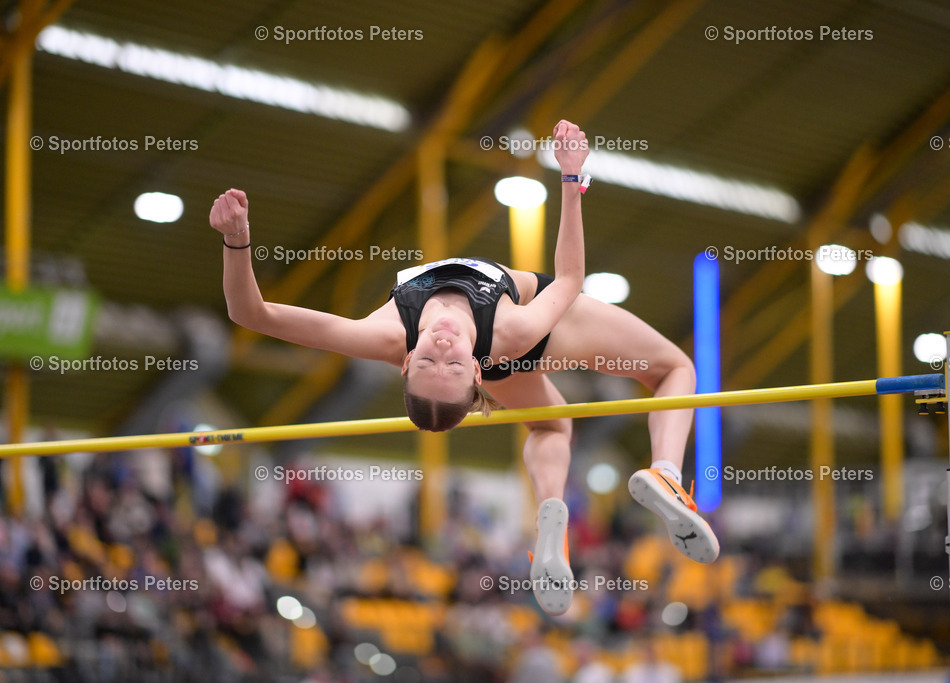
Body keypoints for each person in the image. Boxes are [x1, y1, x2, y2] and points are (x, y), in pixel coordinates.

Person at [210, 120, 718, 617]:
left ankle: (551, 521)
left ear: (407, 359)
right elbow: (567, 279)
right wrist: (570, 176)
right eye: (451, 361)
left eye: (429, 357)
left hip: (506, 356)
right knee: (674, 368)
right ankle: (667, 474)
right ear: (473, 372)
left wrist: (237, 240)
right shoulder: (510, 333)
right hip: (533, 326)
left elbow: (251, 314)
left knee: (552, 423)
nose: (444, 343)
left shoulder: (385, 335)